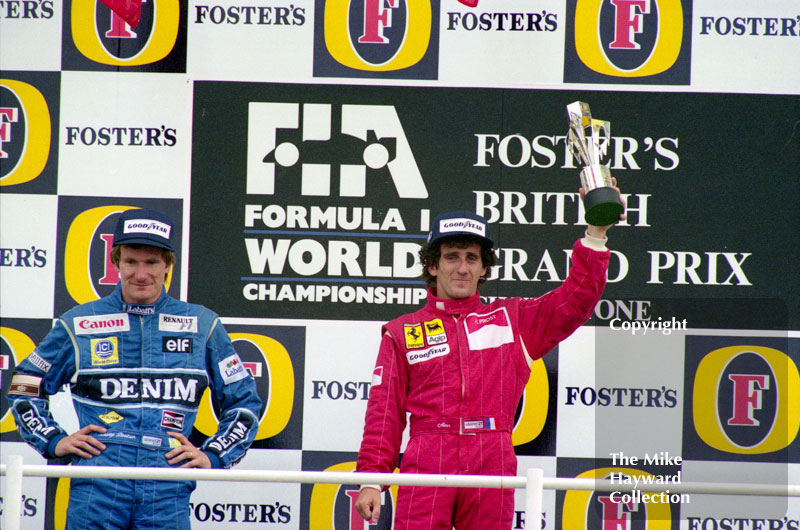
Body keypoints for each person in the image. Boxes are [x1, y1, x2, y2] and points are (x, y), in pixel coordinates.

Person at [354, 187, 623, 529]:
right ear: (433, 265)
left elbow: (577, 299)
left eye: (471, 258)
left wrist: (596, 235)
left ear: (484, 268)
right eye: (452, 257)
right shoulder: (401, 331)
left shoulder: (512, 319)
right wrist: (371, 479)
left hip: (491, 457)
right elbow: (384, 412)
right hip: (427, 458)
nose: (462, 268)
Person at [7, 208, 262, 530]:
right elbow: (26, 385)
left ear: (168, 265)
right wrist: (54, 440)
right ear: (116, 263)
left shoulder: (202, 325)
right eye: (131, 262)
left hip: (167, 482)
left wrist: (214, 455)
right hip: (97, 480)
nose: (141, 274)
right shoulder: (80, 323)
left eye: (152, 262)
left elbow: (244, 402)